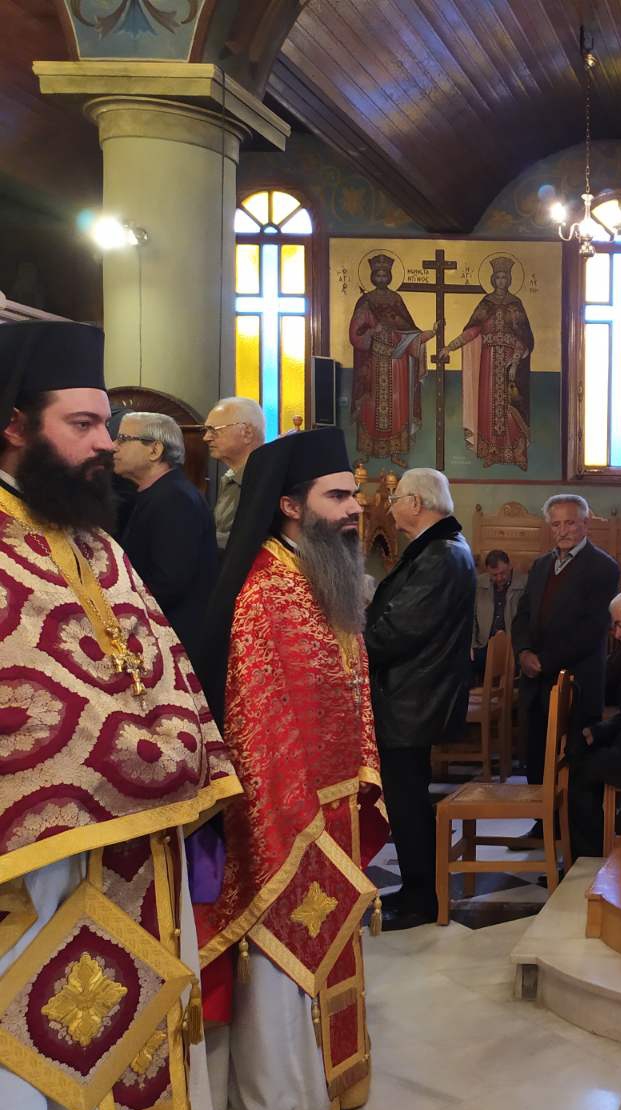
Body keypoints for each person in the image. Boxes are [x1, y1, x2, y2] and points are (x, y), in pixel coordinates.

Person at [0, 322, 240, 1110]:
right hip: (37, 867)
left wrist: (179, 754)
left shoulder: (96, 543)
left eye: (107, 424)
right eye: (83, 423)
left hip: (140, 844)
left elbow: (159, 657)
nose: (105, 442)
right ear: (16, 427)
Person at [195, 427, 388, 1110]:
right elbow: (258, 721)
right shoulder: (265, 591)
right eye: (337, 496)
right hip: (286, 818)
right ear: (289, 505)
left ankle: (327, 1086)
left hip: (332, 810)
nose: (354, 508)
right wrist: (289, 821)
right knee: (283, 967)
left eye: (353, 495)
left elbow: (351, 695)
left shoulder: (319, 576)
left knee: (330, 954)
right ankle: (284, 1095)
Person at [365, 468, 475, 931]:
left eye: (395, 500)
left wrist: (351, 646)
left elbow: (400, 630)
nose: (390, 508)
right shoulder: (438, 549)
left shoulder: (441, 555)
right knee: (405, 797)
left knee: (407, 801)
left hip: (412, 697)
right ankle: (416, 888)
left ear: (415, 503)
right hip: (412, 694)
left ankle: (421, 899)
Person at [511, 494, 619, 789]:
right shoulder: (540, 565)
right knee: (536, 761)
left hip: (577, 682)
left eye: (570, 523)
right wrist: (523, 652)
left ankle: (572, 819)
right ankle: (541, 816)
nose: (563, 531)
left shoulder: (603, 567)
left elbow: (592, 630)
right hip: (536, 683)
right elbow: (522, 615)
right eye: (556, 524)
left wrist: (543, 661)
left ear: (585, 523)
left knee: (576, 769)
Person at [113, 410, 219, 650]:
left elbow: (169, 582)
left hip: (177, 640)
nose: (113, 446)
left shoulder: (174, 498)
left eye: (123, 439)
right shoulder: (158, 492)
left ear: (155, 450)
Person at [569, 589, 621, 859]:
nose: (616, 634)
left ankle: (588, 857)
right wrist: (598, 731)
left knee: (579, 772)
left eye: (620, 625)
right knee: (580, 754)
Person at [442, 255, 534, 468]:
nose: (501, 281)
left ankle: (517, 452)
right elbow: (472, 331)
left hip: (511, 361)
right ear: (493, 280)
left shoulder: (516, 305)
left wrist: (515, 360)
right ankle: (491, 451)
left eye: (505, 277)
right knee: (488, 405)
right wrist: (449, 347)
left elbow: (525, 337)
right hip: (489, 362)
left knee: (511, 405)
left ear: (509, 280)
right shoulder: (486, 304)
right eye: (498, 277)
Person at [349, 253, 436, 464]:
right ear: (372, 276)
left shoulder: (396, 300)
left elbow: (408, 331)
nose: (381, 278)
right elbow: (355, 334)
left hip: (397, 363)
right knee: (370, 407)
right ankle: (366, 452)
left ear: (389, 276)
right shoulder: (366, 302)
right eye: (378, 274)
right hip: (373, 362)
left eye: (384, 274)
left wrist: (430, 333)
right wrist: (373, 331)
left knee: (398, 407)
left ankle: (396, 452)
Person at [203, 395, 265, 551]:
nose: (206, 437)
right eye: (206, 430)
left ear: (247, 433)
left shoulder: (264, 481)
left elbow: (250, 543)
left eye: (213, 430)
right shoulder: (231, 478)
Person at [473, 548, 526, 674]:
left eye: (503, 573)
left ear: (510, 566)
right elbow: (471, 617)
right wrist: (471, 644)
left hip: (512, 646)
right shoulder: (478, 584)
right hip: (483, 644)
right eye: (494, 575)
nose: (499, 578)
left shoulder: (525, 584)